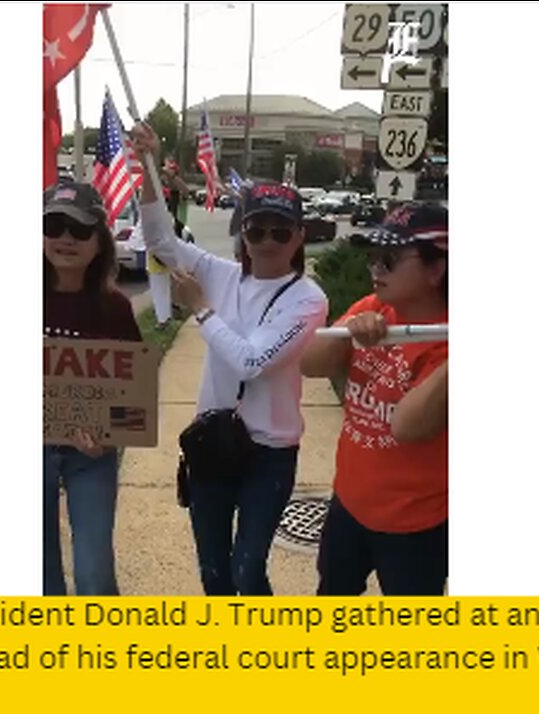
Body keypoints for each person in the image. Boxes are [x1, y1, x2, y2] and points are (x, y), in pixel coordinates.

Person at [132, 123, 328, 596]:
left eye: (280, 232)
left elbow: (251, 362)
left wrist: (201, 308)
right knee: (214, 573)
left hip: (270, 454)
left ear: (299, 237)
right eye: (255, 228)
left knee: (247, 570)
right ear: (241, 229)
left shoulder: (307, 299)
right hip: (212, 442)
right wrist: (149, 168)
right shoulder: (221, 273)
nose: (266, 240)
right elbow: (160, 241)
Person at [299, 202, 449, 596]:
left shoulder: (447, 344)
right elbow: (310, 364)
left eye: (390, 259)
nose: (375, 270)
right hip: (349, 502)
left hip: (415, 524)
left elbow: (408, 426)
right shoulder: (376, 307)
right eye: (372, 258)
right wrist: (349, 328)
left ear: (437, 269)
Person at [43, 182, 142, 596]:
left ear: (99, 243)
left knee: (94, 573)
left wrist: (109, 436)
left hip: (90, 458)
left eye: (80, 230)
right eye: (54, 224)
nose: (66, 237)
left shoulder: (115, 308)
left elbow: (135, 397)